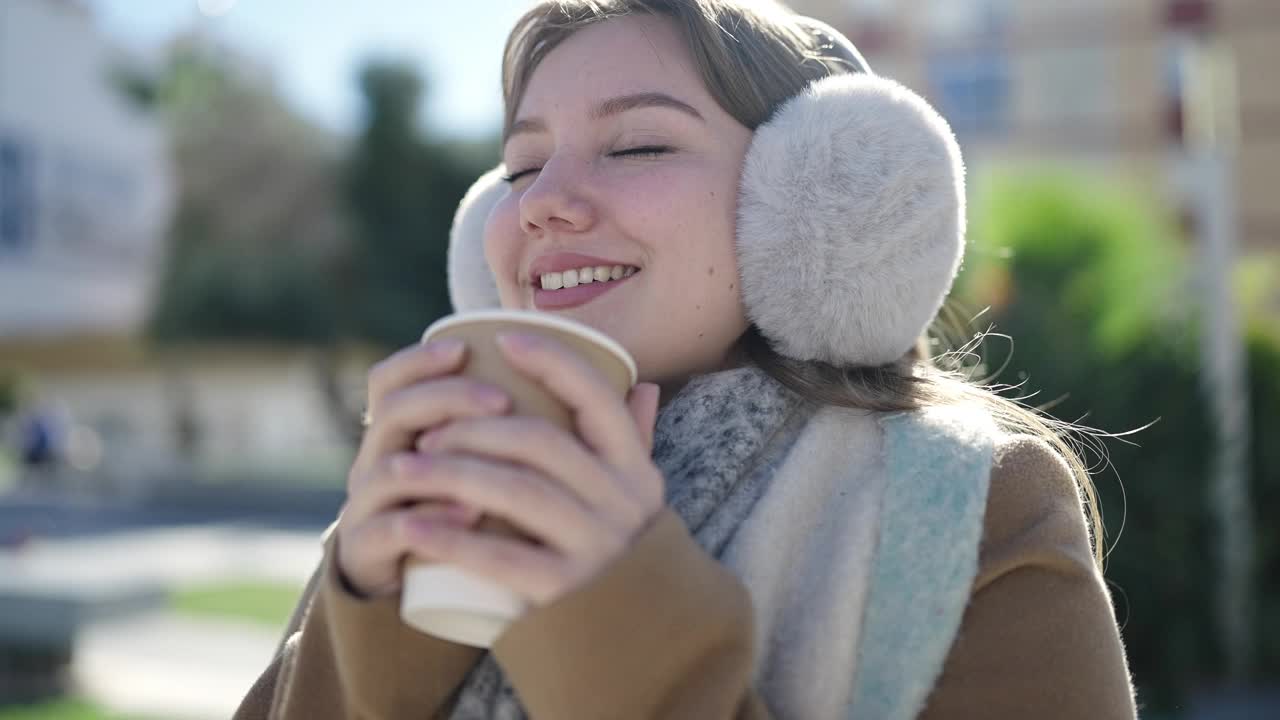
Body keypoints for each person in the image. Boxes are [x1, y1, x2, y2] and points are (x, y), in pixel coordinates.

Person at [235, 1, 1138, 718]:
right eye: (519, 170)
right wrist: (367, 629)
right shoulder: (432, 495)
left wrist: (620, 629)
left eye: (636, 144)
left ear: (821, 208)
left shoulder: (973, 502)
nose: (543, 204)